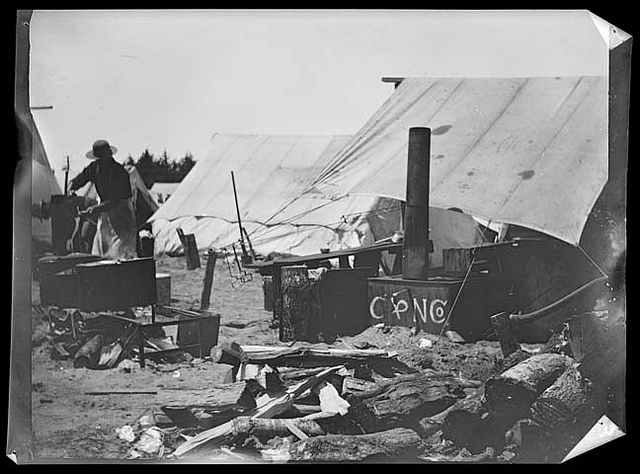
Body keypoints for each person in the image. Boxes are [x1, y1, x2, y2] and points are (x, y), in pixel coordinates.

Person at [68, 139, 137, 260]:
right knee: (102, 248)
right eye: (99, 159)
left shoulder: (119, 172)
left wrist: (92, 210)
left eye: (104, 158)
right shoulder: (94, 168)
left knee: (121, 251)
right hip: (105, 212)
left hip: (122, 213)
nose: (101, 161)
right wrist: (72, 186)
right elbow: (81, 178)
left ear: (109, 155)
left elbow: (114, 201)